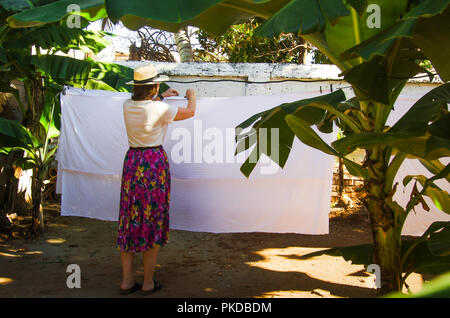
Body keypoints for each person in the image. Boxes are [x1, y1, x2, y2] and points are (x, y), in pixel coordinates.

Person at [117, 63, 196, 295]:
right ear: (154, 86)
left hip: (132, 162)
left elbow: (146, 106)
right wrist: (192, 95)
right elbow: (190, 112)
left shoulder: (127, 105)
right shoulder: (159, 110)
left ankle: (126, 281)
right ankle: (148, 283)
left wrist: (161, 96)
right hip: (153, 164)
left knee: (130, 218)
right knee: (150, 219)